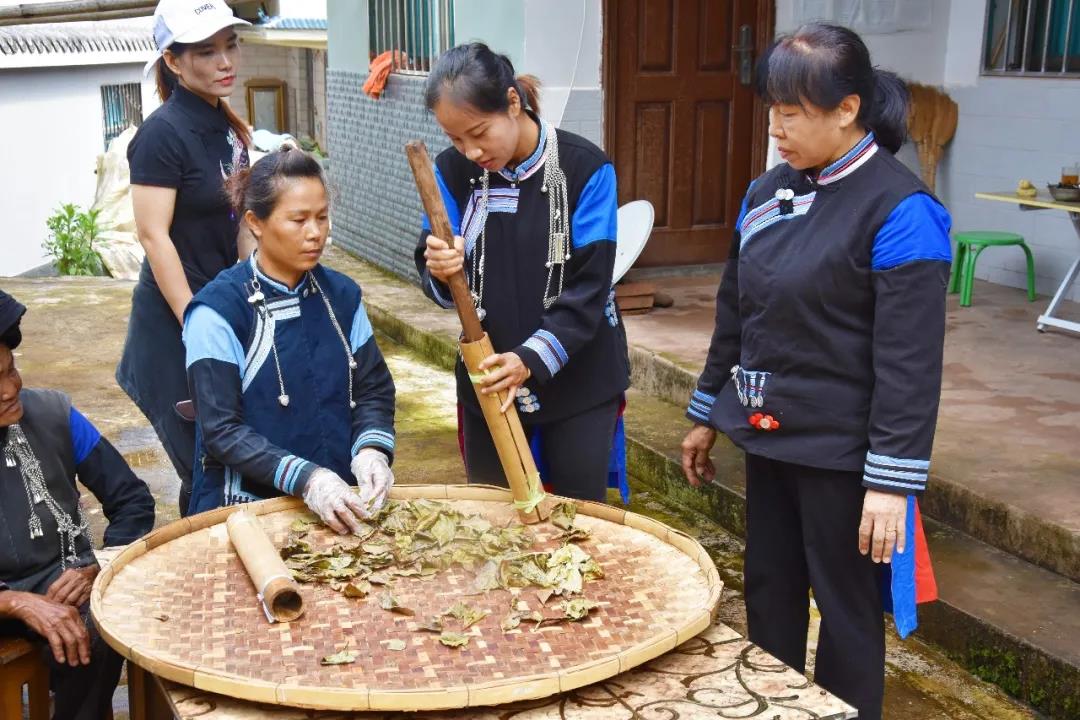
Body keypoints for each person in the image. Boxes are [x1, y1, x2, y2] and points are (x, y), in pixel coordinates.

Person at [679, 24, 946, 720]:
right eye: (772, 110)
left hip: (843, 456)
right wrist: (707, 412)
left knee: (846, 611)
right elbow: (736, 312)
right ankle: (773, 706)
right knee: (769, 590)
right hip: (768, 437)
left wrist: (890, 482)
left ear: (848, 108)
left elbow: (910, 364)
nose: (775, 130)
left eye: (792, 113)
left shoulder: (902, 211)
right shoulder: (765, 194)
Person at [416, 43, 629, 502]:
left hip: (579, 376)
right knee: (493, 514)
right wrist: (442, 267)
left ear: (513, 102)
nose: (471, 151)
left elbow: (590, 288)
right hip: (489, 376)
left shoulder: (586, 169)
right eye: (456, 139)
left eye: (479, 132)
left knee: (576, 517)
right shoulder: (450, 171)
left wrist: (528, 360)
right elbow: (435, 265)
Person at [183, 147, 397, 534]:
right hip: (248, 515)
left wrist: (371, 451)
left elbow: (373, 388)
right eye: (299, 220)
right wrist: (310, 480)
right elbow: (222, 430)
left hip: (341, 506)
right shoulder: (217, 311)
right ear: (256, 222)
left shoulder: (342, 296)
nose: (315, 233)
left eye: (322, 217)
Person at [116, 0, 252, 517]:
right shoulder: (162, 134)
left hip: (218, 312)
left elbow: (242, 225)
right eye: (207, 52)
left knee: (227, 458)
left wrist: (252, 298)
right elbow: (154, 236)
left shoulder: (229, 128)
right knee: (204, 465)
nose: (225, 62)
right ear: (172, 61)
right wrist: (194, 321)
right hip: (173, 326)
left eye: (230, 46)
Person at [0, 290, 156, 720]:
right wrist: (17, 602)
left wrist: (97, 566)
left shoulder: (55, 414)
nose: (10, 389)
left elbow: (131, 499)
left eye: (10, 370)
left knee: (101, 625)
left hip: (66, 584)